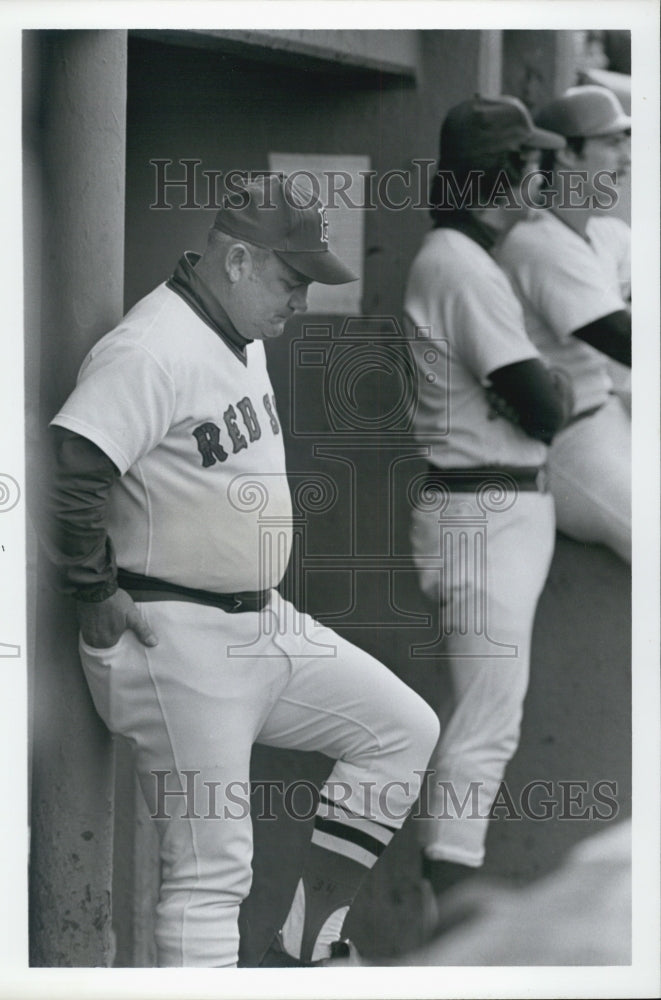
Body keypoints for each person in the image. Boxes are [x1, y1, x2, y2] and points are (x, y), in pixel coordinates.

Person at [44, 174, 439, 968]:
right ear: (235, 261)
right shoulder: (151, 346)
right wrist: (95, 596)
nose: (299, 298)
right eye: (290, 279)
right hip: (173, 632)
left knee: (401, 730)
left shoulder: (237, 332)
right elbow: (71, 471)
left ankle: (307, 945)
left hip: (260, 622)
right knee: (208, 875)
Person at [403, 97, 571, 898]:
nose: (543, 170)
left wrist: (544, 391)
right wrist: (551, 390)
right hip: (481, 508)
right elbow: (540, 404)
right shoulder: (457, 263)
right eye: (529, 159)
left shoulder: (471, 257)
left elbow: (534, 399)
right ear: (496, 172)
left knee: (482, 725)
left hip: (495, 505)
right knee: (482, 729)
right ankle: (446, 925)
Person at [494, 85, 632, 563]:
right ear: (569, 153)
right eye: (613, 142)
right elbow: (626, 340)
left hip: (615, 420)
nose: (627, 158)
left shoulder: (607, 233)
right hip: (571, 446)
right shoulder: (536, 243)